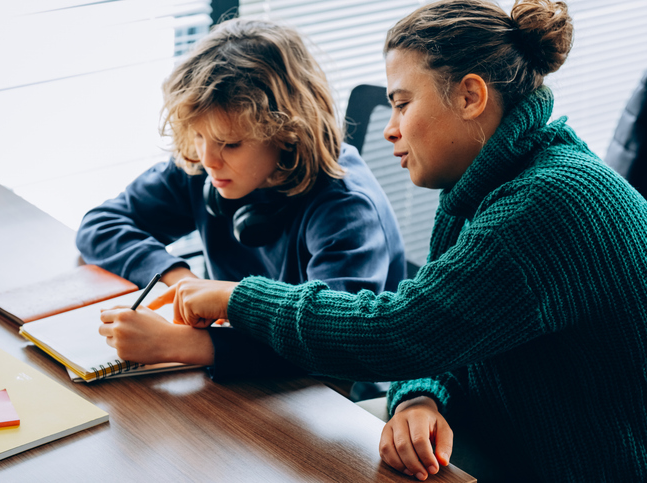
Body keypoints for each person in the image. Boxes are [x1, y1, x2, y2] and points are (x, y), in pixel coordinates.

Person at [151, 1, 647, 481]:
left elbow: (399, 331)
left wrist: (237, 297)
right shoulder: (486, 186)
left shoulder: (545, 204)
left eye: (402, 103)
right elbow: (445, 332)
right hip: (509, 433)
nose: (389, 130)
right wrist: (419, 397)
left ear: (471, 96)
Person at [77, 18, 407, 380]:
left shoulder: (346, 208)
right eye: (199, 136)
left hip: (319, 398)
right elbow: (100, 224)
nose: (208, 158)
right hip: (235, 372)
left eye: (230, 144)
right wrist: (180, 278)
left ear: (287, 133)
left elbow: (335, 346)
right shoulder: (206, 166)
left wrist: (177, 345)